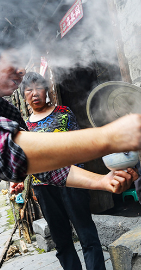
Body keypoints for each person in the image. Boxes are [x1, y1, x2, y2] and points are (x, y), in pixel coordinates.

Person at [0, 22, 141, 188]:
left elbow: (46, 169)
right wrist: (109, 137)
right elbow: (10, 151)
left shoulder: (8, 111)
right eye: (15, 60)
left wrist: (101, 181)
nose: (22, 70)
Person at [20, 72, 114, 270]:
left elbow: (78, 145)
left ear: (47, 90)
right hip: (44, 188)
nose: (34, 93)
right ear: (24, 95)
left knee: (86, 233)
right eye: (29, 90)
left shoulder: (63, 113)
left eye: (38, 88)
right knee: (61, 241)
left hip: (72, 182)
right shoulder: (24, 126)